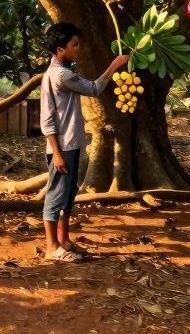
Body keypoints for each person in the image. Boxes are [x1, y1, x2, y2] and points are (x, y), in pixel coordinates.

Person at [39, 22, 128, 262]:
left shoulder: (56, 71)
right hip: (63, 147)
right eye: (74, 45)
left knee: (68, 195)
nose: (78, 48)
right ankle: (51, 247)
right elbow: (95, 88)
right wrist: (115, 65)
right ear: (60, 48)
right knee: (56, 195)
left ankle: (64, 240)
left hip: (71, 144)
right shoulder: (62, 76)